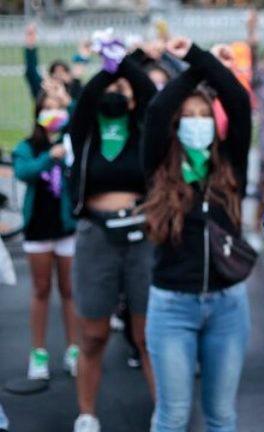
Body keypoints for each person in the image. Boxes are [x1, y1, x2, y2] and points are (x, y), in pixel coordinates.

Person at [141, 37, 253, 431]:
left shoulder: (230, 165)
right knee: (172, 415)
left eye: (204, 114)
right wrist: (196, 67)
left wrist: (199, 56)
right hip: (172, 305)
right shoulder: (158, 166)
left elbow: (237, 102)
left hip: (228, 306)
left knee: (221, 416)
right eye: (188, 114)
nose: (196, 121)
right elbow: (157, 110)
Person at [68, 37, 157, 432]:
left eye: (123, 87)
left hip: (141, 237)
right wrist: (108, 66)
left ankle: (164, 416)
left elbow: (148, 91)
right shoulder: (85, 131)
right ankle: (86, 414)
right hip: (97, 237)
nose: (115, 90)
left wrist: (124, 63)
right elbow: (88, 95)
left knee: (147, 334)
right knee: (93, 334)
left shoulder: (144, 128)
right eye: (110, 85)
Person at [12, 80, 79, 381]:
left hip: (66, 227)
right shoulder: (28, 146)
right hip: (38, 228)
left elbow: (82, 116)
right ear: (38, 113)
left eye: (58, 108)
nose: (54, 113)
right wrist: (48, 157)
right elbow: (23, 172)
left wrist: (66, 97)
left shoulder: (71, 140)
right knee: (41, 290)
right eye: (47, 108)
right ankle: (38, 352)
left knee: (69, 290)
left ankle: (74, 349)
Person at [24, 23, 88, 102]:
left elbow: (78, 75)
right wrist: (30, 46)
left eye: (63, 71)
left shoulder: (74, 92)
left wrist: (83, 54)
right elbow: (31, 71)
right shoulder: (42, 93)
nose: (59, 75)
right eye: (55, 72)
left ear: (69, 76)